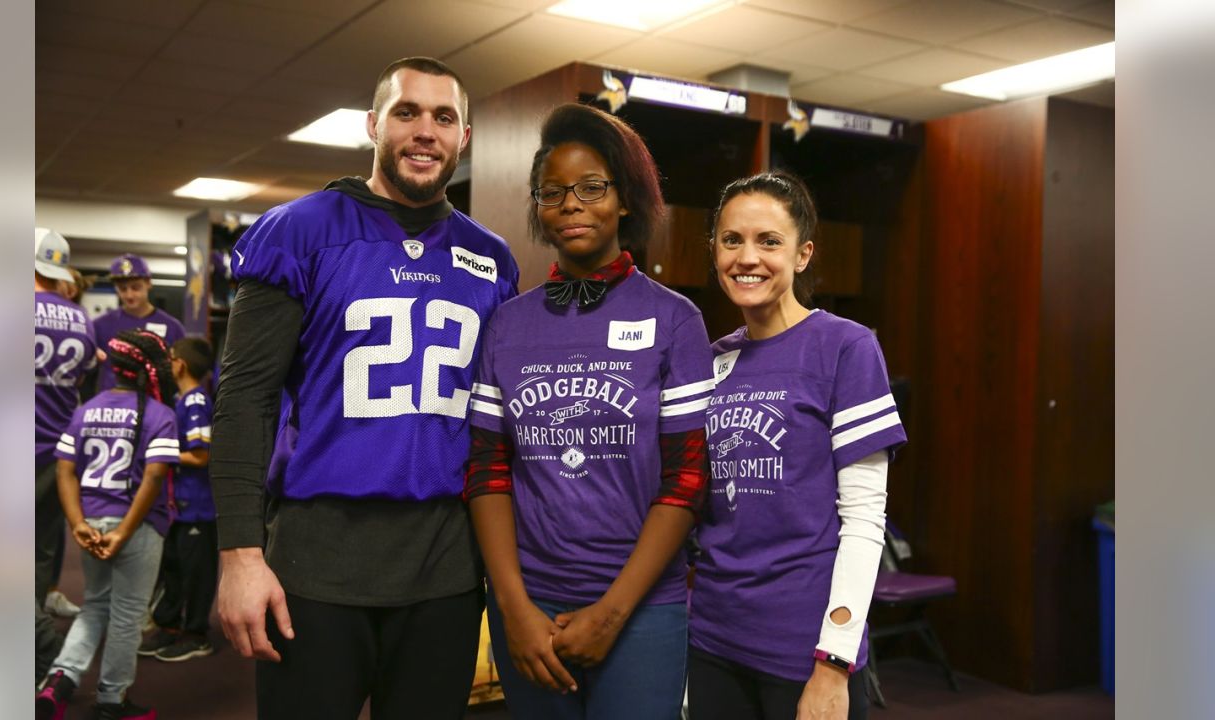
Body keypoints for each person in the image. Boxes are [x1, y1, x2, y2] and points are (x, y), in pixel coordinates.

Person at [210, 56, 519, 720]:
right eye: (408, 113)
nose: (425, 131)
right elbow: (243, 400)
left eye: (445, 117)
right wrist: (239, 555)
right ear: (375, 124)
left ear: (464, 138)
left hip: (444, 571)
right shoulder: (299, 230)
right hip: (317, 566)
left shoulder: (491, 257)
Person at [464, 103, 713, 720]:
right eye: (552, 192)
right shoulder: (506, 324)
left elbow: (685, 481)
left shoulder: (675, 320)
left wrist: (610, 614)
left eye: (591, 187)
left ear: (624, 200)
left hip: (641, 611)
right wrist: (512, 608)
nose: (570, 203)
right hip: (530, 607)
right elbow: (488, 471)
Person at [687, 172, 907, 720]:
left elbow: (863, 520)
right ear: (714, 250)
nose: (747, 257)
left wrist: (835, 661)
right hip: (714, 638)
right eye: (731, 239)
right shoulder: (710, 361)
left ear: (802, 254)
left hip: (803, 647)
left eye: (769, 241)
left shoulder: (846, 347)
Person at [36, 329, 180, 720]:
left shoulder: (86, 409)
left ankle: (58, 681)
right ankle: (111, 702)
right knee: (128, 615)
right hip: (138, 525)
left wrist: (78, 523)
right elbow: (153, 478)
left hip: (92, 521)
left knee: (94, 606)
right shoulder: (160, 414)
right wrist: (124, 532)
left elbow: (65, 470)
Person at [35, 227, 99, 684]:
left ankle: (45, 652)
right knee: (39, 552)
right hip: (56, 458)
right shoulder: (81, 318)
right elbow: (85, 380)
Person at [139, 337, 218, 663]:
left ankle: (197, 633)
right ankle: (170, 625)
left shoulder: (197, 401)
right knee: (172, 566)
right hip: (176, 504)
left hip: (197, 504)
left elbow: (201, 456)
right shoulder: (178, 399)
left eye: (171, 359)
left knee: (196, 572)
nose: (168, 364)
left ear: (180, 364)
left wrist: (160, 453)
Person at [93, 254, 185, 392]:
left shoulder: (173, 327)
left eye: (135, 287)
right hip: (113, 405)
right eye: (123, 289)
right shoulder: (99, 325)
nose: (129, 295)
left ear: (148, 283)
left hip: (157, 404)